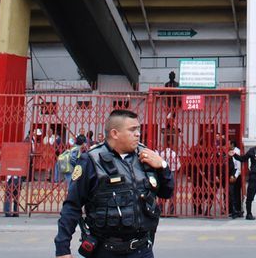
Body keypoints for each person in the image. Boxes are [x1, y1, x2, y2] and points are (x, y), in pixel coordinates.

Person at [54, 108, 174, 258]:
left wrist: (163, 166)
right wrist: (62, 249)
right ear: (115, 133)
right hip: (105, 251)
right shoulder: (91, 160)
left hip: (142, 250)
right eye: (132, 130)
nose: (138, 134)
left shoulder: (146, 157)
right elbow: (72, 206)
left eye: (138, 129)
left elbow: (167, 192)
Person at [226, 139, 244, 219]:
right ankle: (232, 210)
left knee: (236, 194)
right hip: (232, 175)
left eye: (229, 143)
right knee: (232, 193)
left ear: (232, 144)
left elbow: (238, 166)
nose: (227, 145)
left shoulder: (237, 152)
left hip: (236, 175)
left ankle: (237, 210)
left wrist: (235, 176)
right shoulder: (230, 151)